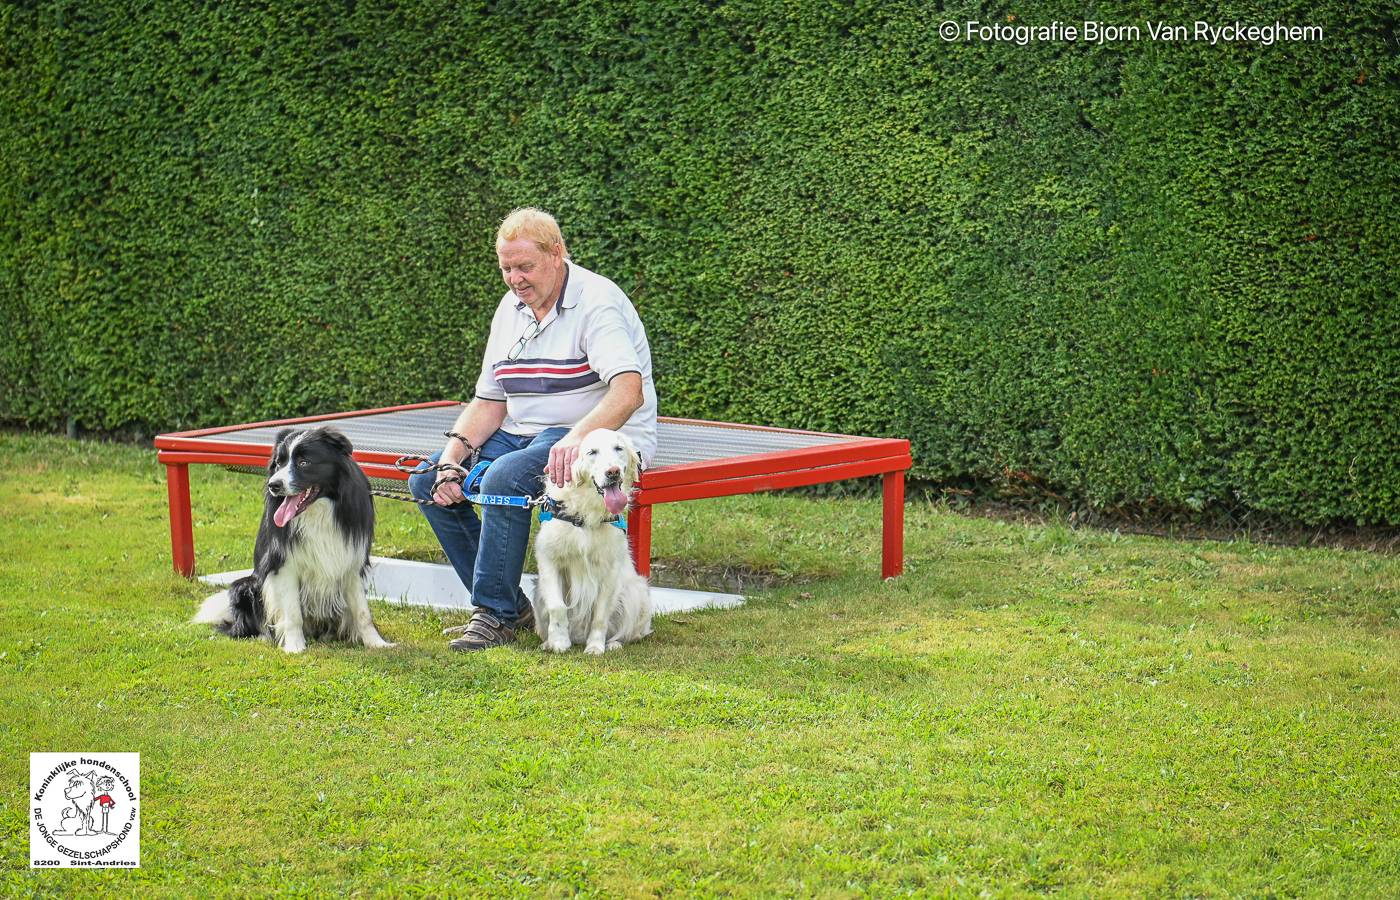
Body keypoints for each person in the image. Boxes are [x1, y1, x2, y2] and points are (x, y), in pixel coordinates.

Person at [409, 208, 658, 650]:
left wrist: (577, 438)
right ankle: (511, 606)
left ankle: (493, 614)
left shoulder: (596, 301)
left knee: (505, 476)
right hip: (524, 431)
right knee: (428, 479)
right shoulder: (511, 308)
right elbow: (489, 400)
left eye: (525, 266)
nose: (515, 279)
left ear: (557, 254)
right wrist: (451, 460)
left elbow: (628, 392)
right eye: (506, 268)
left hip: (589, 436)